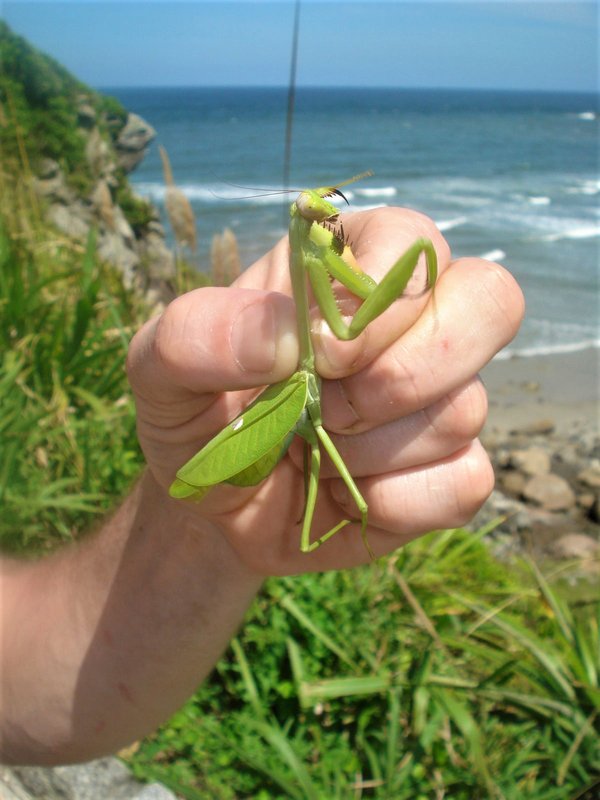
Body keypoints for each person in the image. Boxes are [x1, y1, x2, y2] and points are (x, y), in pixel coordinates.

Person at [0, 205, 524, 766]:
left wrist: (208, 536)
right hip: (290, 408)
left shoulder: (307, 278)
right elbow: (350, 318)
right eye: (321, 217)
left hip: (278, 425)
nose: (330, 217)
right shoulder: (301, 312)